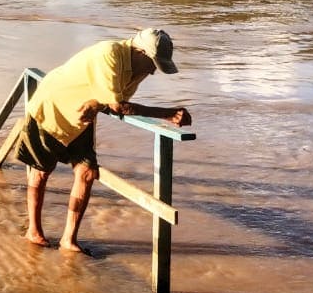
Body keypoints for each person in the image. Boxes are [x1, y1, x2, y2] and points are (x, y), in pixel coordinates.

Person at [19, 28, 191, 253]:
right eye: (154, 65)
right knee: (41, 172)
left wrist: (95, 104)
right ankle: (34, 230)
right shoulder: (110, 55)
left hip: (81, 117)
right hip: (52, 106)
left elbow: (112, 103)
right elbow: (119, 106)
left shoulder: (136, 69)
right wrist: (167, 114)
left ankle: (69, 240)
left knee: (87, 172)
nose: (153, 72)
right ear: (141, 52)